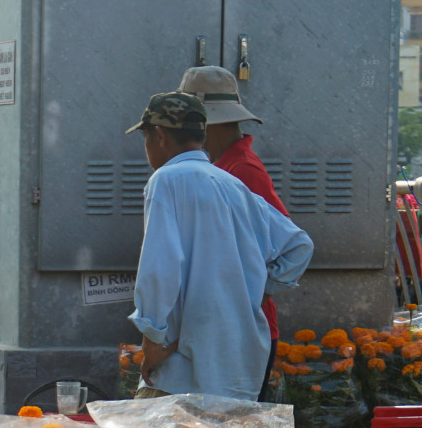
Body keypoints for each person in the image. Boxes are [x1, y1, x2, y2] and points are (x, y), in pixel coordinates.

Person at [127, 92, 313, 401]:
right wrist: (255, 288)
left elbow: (160, 268)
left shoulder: (166, 179)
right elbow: (299, 245)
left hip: (183, 369)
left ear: (158, 136)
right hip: (238, 367)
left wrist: (153, 337)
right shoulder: (231, 183)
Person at [189, 66, 290, 352]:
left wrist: (251, 296)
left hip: (243, 333)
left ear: (209, 124)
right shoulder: (221, 165)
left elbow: (287, 245)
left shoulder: (242, 169)